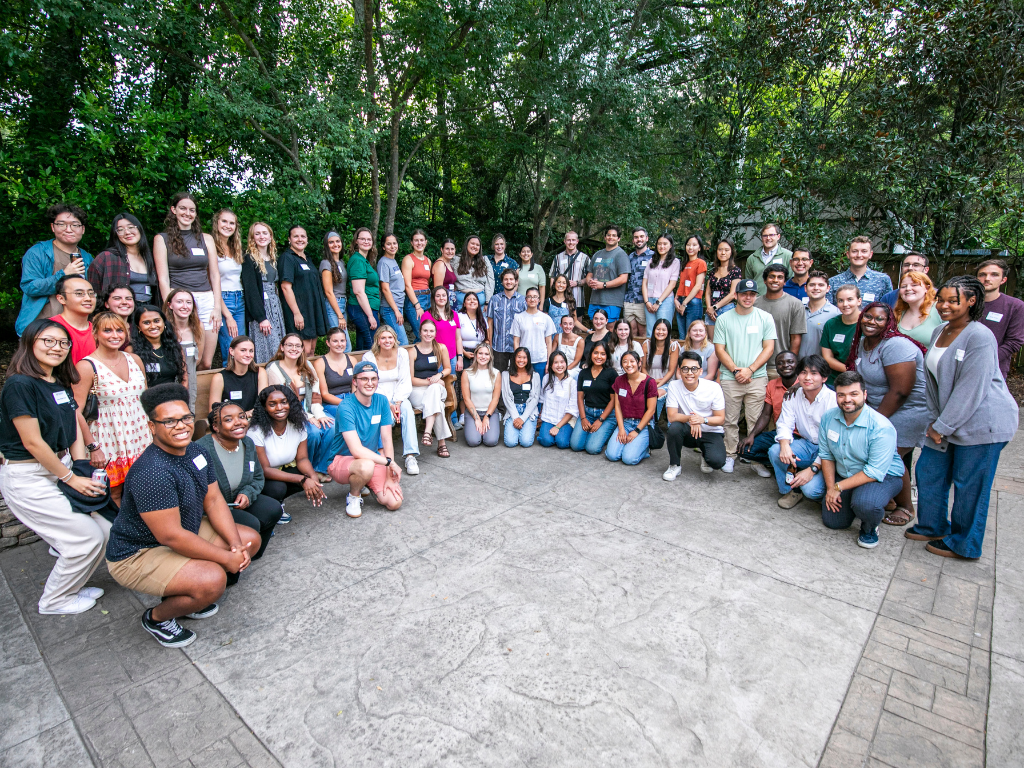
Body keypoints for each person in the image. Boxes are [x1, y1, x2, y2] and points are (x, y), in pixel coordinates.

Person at [106, 383, 259, 647]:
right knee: (213, 580)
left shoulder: (196, 451)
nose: (181, 426)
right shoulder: (152, 472)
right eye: (169, 421)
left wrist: (235, 546)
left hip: (183, 530)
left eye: (186, 418)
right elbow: (172, 536)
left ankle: (190, 595)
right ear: (152, 427)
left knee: (248, 540)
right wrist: (226, 558)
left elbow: (213, 499)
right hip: (138, 551)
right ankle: (157, 618)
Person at [0, 318, 110, 615]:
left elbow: (73, 425)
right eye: (48, 341)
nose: (56, 347)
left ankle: (71, 587)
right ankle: (55, 601)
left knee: (103, 530)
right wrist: (71, 478)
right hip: (29, 475)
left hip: (59, 467)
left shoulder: (56, 382)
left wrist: (81, 465)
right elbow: (33, 443)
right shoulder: (19, 384)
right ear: (30, 343)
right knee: (85, 537)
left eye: (63, 342)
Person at [906, 276, 1019, 559]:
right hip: (947, 420)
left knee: (970, 485)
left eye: (952, 301)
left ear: (971, 301)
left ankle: (964, 544)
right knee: (929, 471)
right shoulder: (939, 331)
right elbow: (934, 382)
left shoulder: (980, 336)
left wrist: (942, 426)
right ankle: (933, 525)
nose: (944, 306)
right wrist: (935, 420)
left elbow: (971, 389)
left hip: (983, 423)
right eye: (941, 300)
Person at [846, 302, 928, 525]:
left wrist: (874, 421)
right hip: (880, 406)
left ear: (888, 322)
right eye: (868, 317)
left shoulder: (896, 345)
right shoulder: (864, 342)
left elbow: (901, 391)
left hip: (909, 409)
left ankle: (906, 507)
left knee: (889, 455)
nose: (871, 322)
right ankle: (890, 499)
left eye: (878, 319)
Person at [818, 372, 906, 549]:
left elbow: (874, 471)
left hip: (882, 476)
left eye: (853, 394)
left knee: (867, 504)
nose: (847, 399)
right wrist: (830, 488)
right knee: (834, 521)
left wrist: (838, 487)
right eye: (841, 395)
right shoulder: (829, 417)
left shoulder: (881, 427)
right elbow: (826, 455)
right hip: (848, 473)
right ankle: (858, 502)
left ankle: (869, 527)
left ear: (864, 395)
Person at [72, 311, 150, 506]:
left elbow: (147, 399)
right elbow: (75, 411)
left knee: (144, 486)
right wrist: (93, 447)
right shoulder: (87, 366)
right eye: (107, 330)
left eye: (119, 330)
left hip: (140, 436)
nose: (115, 335)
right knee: (113, 492)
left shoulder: (135, 359)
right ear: (95, 334)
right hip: (108, 438)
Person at [197, 402, 283, 559]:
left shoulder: (247, 443)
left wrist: (247, 493)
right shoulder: (201, 450)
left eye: (242, 417)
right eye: (228, 419)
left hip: (238, 501)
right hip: (213, 510)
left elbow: (257, 476)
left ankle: (254, 554)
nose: (238, 422)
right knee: (251, 523)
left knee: (273, 509)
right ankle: (235, 560)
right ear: (215, 427)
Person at [713, 278, 777, 472]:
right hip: (730, 377)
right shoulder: (724, 319)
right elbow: (720, 349)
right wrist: (735, 370)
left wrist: (750, 369)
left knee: (756, 419)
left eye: (751, 294)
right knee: (729, 419)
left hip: (756, 377)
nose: (748, 297)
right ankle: (730, 454)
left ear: (756, 297)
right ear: (736, 295)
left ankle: (754, 458)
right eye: (744, 294)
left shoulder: (765, 318)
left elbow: (769, 348)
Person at [327, 360, 405, 517]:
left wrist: (389, 474)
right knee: (366, 466)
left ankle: (366, 482)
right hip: (342, 459)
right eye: (364, 379)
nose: (370, 383)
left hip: (371, 458)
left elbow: (387, 439)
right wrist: (389, 462)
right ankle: (354, 495)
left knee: (394, 502)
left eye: (373, 379)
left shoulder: (382, 401)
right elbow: (356, 450)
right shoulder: (346, 407)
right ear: (355, 381)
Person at [154, 193, 222, 369]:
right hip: (181, 301)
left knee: (206, 362)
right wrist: (170, 305)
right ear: (173, 210)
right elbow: (163, 278)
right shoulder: (162, 239)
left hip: (206, 299)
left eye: (192, 210)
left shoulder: (206, 238)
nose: (187, 213)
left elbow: (214, 274)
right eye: (183, 208)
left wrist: (217, 306)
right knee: (187, 360)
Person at [248, 385, 326, 523]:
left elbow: (302, 459)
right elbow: (264, 470)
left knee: (308, 475)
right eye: (272, 404)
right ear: (264, 407)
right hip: (260, 477)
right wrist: (302, 480)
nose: (279, 408)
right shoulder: (255, 431)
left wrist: (313, 478)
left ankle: (277, 502)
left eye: (284, 402)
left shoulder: (298, 425)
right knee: (279, 488)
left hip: (283, 468)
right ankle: (269, 507)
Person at [768, 355, 835, 508]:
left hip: (829, 452)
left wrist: (812, 469)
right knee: (775, 451)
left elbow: (833, 445)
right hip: (806, 444)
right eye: (803, 372)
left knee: (811, 491)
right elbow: (784, 424)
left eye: (813, 373)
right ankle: (791, 490)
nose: (807, 377)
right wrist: (785, 446)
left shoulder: (832, 401)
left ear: (824, 378)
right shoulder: (792, 395)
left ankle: (820, 482)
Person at [265, 334, 335, 480]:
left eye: (298, 346)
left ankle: (320, 468)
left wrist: (319, 415)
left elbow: (315, 395)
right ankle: (305, 468)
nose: (294, 349)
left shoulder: (307, 366)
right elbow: (283, 401)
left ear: (302, 349)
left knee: (332, 426)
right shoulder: (274, 369)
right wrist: (308, 418)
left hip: (309, 408)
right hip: (286, 412)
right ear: (282, 347)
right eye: (290, 345)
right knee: (313, 433)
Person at [17, 203, 92, 336]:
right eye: (62, 224)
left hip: (76, 329)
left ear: (83, 229)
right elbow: (30, 287)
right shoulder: (37, 253)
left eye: (75, 225)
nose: (68, 229)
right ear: (53, 227)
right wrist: (63, 275)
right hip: (40, 328)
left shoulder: (87, 258)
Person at [361, 326, 421, 475]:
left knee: (407, 410)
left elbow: (405, 379)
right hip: (378, 397)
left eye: (390, 337)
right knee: (386, 417)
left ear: (394, 339)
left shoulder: (402, 353)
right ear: (378, 340)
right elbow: (372, 383)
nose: (387, 341)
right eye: (383, 338)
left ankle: (410, 455)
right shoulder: (369, 357)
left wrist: (398, 402)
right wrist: (388, 404)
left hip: (400, 395)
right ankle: (384, 457)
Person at [663, 350, 727, 478]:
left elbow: (720, 419)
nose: (689, 373)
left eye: (694, 369)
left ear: (700, 371)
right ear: (679, 370)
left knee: (717, 462)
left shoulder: (713, 387)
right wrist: (693, 419)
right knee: (674, 428)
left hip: (710, 431)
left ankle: (706, 454)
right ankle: (674, 465)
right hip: (688, 430)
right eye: (685, 369)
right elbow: (671, 416)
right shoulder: (674, 386)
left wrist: (702, 420)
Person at [737, 351, 798, 476]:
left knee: (777, 450)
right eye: (780, 363)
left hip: (801, 435)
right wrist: (752, 435)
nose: (785, 365)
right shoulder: (772, 384)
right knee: (744, 449)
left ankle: (795, 464)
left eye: (790, 362)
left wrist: (801, 384)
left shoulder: (806, 384)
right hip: (780, 433)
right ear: (776, 368)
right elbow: (766, 415)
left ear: (797, 364)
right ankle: (780, 462)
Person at [279, 225, 329, 357]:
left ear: (307, 239)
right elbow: (285, 287)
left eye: (303, 236)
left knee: (311, 350)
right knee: (303, 351)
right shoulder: (287, 258)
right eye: (296, 236)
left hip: (312, 310)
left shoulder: (307, 258)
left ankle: (309, 377)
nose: (300, 239)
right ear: (289, 239)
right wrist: (296, 313)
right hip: (299, 310)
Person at [240, 222, 286, 364]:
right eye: (257, 233)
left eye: (265, 233)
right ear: (252, 238)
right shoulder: (249, 259)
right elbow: (251, 290)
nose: (261, 236)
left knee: (279, 346)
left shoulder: (272, 259)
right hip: (261, 309)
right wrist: (261, 317)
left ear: (270, 236)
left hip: (275, 307)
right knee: (267, 347)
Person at [408, 319, 454, 458]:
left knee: (435, 391)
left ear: (435, 333)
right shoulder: (412, 351)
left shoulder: (440, 348)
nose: (428, 334)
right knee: (437, 404)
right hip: (418, 389)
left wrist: (438, 376)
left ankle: (427, 431)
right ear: (420, 332)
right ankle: (441, 444)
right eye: (425, 330)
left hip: (436, 388)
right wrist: (429, 382)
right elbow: (411, 379)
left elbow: (447, 368)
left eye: (431, 331)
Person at [87, 213, 157, 303]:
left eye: (131, 227)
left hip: (148, 310)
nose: (127, 232)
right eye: (120, 230)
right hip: (122, 309)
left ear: (139, 229)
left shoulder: (150, 258)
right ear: (115, 235)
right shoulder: (107, 257)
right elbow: (93, 289)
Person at [606, 351, 657, 465]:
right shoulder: (619, 380)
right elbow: (617, 406)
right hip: (626, 422)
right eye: (625, 362)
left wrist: (636, 431)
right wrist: (621, 429)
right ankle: (632, 447)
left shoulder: (650, 382)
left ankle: (644, 450)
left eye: (632, 361)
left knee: (628, 459)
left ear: (639, 363)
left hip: (643, 425)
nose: (628, 364)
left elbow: (651, 410)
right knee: (612, 455)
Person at [754, 264, 806, 376]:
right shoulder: (754, 304)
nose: (775, 280)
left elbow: (796, 338)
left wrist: (789, 365)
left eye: (779, 277)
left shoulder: (795, 304)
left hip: (780, 367)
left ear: (785, 282)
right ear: (764, 280)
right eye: (771, 276)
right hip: (755, 366)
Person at [977, 258, 1024, 380]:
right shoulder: (966, 302)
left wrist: (985, 359)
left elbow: (1014, 342)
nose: (987, 278)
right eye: (982, 274)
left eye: (994, 275)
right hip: (960, 366)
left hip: (994, 370)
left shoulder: (1015, 306)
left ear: (1003, 280)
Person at [570, 341, 618, 454]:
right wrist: (583, 418)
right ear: (591, 354)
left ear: (607, 356)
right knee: (576, 446)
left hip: (606, 415)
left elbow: (613, 400)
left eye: (602, 354)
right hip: (588, 413)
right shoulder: (583, 373)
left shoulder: (611, 374)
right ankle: (595, 435)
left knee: (592, 449)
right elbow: (580, 397)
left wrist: (601, 420)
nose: (599, 357)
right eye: (596, 353)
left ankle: (606, 432)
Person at [212, 209, 245, 363]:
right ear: (217, 222)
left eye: (231, 223)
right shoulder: (210, 246)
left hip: (240, 298)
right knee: (230, 349)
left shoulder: (235, 248)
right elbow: (212, 283)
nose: (228, 226)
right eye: (224, 221)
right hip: (223, 299)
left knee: (242, 346)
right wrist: (228, 315)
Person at [164, 289, 204, 410]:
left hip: (190, 378)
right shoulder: (164, 327)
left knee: (189, 409)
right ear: (170, 305)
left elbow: (199, 358)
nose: (185, 306)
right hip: (169, 378)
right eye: (179, 302)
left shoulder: (198, 326)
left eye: (188, 302)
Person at [208, 336, 268, 415]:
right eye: (243, 350)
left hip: (255, 420)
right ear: (231, 351)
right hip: (231, 423)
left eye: (251, 351)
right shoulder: (219, 378)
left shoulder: (260, 373)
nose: (248, 354)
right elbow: (213, 412)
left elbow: (263, 403)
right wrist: (244, 415)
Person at [827, 236, 893, 307]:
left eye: (864, 251)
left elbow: (888, 310)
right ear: (848, 254)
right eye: (854, 251)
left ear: (870, 254)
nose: (859, 255)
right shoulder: (833, 282)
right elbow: (829, 312)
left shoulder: (883, 280)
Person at [132, 306, 187, 389]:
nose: (153, 326)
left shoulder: (174, 346)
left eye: (157, 321)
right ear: (139, 327)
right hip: (147, 398)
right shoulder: (132, 350)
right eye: (146, 323)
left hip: (174, 396)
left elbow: (184, 379)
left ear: (164, 322)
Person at [456, 292, 489, 429]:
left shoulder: (483, 318)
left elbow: (487, 338)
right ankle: (463, 413)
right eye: (468, 299)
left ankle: (479, 411)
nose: (471, 301)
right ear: (464, 303)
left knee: (478, 384)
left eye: (474, 299)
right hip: (464, 352)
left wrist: (480, 353)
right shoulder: (459, 316)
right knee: (464, 385)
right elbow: (456, 337)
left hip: (479, 355)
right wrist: (462, 352)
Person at [346, 227, 382, 351]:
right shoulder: (357, 261)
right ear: (356, 241)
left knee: (362, 347)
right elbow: (358, 291)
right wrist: (370, 316)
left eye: (369, 239)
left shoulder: (363, 260)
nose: (366, 241)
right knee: (373, 346)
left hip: (366, 308)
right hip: (361, 309)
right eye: (363, 239)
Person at [585, 226, 630, 321]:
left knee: (609, 330)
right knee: (595, 328)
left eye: (614, 235)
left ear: (618, 238)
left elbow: (623, 278)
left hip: (611, 301)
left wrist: (603, 285)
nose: (611, 237)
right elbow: (589, 274)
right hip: (595, 299)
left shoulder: (621, 255)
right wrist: (590, 282)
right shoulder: (597, 254)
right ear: (605, 237)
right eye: (608, 235)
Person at [512, 287, 558, 380]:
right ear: (525, 300)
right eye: (529, 297)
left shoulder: (546, 318)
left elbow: (549, 342)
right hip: (524, 360)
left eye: (535, 297)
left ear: (539, 300)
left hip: (541, 359)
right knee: (525, 386)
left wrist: (549, 362)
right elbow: (516, 341)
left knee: (540, 388)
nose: (532, 299)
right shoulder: (518, 318)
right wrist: (518, 359)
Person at [485, 268, 526, 372]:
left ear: (516, 281)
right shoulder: (494, 300)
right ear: (502, 281)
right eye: (506, 279)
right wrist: (489, 343)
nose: (509, 282)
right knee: (497, 374)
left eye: (511, 279)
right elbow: (489, 322)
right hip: (498, 346)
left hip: (517, 346)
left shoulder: (522, 300)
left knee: (515, 375)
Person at [461, 343, 502, 447]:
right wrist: (477, 418)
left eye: (486, 354)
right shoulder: (467, 373)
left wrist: (487, 417)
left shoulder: (496, 373)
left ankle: (490, 427)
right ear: (475, 355)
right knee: (473, 441)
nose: (483, 357)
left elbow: (495, 399)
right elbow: (466, 399)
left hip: (490, 412)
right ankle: (475, 429)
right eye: (480, 353)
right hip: (473, 412)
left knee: (490, 441)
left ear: (490, 357)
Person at [820, 285, 862, 385]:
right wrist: (849, 370)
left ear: (859, 301)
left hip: (862, 379)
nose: (845, 304)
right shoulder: (831, 324)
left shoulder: (868, 323)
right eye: (840, 300)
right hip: (835, 380)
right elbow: (827, 358)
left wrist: (857, 372)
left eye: (850, 299)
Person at [51, 276, 96, 365]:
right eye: (79, 293)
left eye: (91, 293)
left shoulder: (99, 330)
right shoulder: (49, 328)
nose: (88, 298)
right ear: (61, 299)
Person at [501, 347, 541, 447]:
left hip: (529, 411)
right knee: (510, 442)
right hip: (512, 410)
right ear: (514, 358)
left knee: (525, 442)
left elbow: (535, 399)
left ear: (528, 360)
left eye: (524, 357)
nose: (521, 360)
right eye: (519, 357)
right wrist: (516, 417)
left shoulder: (535, 376)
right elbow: (506, 398)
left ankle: (525, 428)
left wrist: (522, 418)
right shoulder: (505, 375)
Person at [538, 351, 578, 449]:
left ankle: (565, 434)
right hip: (549, 418)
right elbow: (542, 399)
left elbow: (572, 409)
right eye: (555, 362)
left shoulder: (572, 383)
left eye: (562, 362)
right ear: (551, 365)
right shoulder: (546, 379)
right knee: (546, 441)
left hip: (565, 420)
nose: (559, 365)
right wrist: (540, 416)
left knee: (562, 443)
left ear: (566, 363)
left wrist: (557, 426)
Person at [422, 285, 465, 374]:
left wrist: (460, 357)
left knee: (450, 384)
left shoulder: (454, 314)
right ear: (434, 298)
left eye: (444, 295)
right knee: (438, 384)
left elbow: (458, 338)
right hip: (436, 356)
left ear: (447, 297)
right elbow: (424, 338)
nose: (441, 298)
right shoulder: (427, 315)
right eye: (438, 296)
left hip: (452, 356)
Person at [377, 233, 410, 344]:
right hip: (390, 309)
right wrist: (396, 311)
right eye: (388, 244)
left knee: (396, 343)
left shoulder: (393, 261)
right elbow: (385, 289)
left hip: (397, 307)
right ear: (383, 247)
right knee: (402, 342)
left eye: (394, 243)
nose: (392, 246)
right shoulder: (383, 263)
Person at [642, 319, 679, 419]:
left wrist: (658, 384)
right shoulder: (646, 345)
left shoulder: (673, 346)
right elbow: (643, 368)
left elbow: (671, 371)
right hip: (649, 380)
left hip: (667, 382)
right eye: (658, 329)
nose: (660, 332)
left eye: (664, 330)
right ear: (654, 330)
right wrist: (652, 381)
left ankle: (654, 421)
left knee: (657, 394)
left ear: (668, 332)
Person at [703, 238, 742, 333]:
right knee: (712, 343)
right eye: (720, 249)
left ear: (731, 252)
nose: (723, 253)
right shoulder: (713, 271)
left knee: (726, 342)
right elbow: (708, 292)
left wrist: (715, 307)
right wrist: (709, 308)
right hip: (711, 312)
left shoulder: (735, 271)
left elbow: (733, 294)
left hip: (727, 309)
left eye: (726, 250)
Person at [644, 234, 681, 333]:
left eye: (665, 244)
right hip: (649, 301)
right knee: (650, 332)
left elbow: (672, 284)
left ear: (670, 245)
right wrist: (647, 302)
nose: (662, 246)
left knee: (663, 330)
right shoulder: (651, 261)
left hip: (665, 301)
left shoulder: (675, 262)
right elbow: (644, 283)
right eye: (659, 244)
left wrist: (658, 302)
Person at [894, 271, 942, 346]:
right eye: (903, 286)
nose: (908, 289)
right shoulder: (898, 313)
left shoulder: (939, 309)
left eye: (914, 285)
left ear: (927, 288)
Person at [623, 228, 655, 337]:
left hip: (644, 300)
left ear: (646, 238)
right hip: (629, 299)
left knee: (643, 332)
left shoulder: (654, 257)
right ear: (633, 240)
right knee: (630, 331)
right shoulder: (629, 257)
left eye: (641, 237)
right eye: (636, 237)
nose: (639, 239)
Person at [313, 327, 355, 412]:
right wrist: (345, 403)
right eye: (335, 341)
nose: (339, 344)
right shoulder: (320, 363)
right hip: (332, 402)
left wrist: (354, 401)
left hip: (352, 398)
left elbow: (355, 387)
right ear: (328, 343)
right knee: (346, 412)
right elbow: (324, 394)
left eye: (342, 341)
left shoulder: (352, 360)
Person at [800, 271, 839, 361]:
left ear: (828, 288)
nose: (816, 288)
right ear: (805, 288)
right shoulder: (798, 310)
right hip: (798, 366)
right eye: (812, 285)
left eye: (821, 285)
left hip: (821, 368)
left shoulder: (835, 314)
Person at [744, 222, 793, 294]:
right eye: (765, 235)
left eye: (771, 235)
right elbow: (748, 283)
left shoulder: (788, 256)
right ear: (761, 238)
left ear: (778, 236)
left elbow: (791, 281)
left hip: (780, 301)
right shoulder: (752, 258)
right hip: (757, 301)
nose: (768, 238)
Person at [671, 234, 702, 338]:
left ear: (699, 248)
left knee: (692, 336)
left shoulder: (700, 263)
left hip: (693, 302)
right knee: (682, 336)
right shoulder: (684, 263)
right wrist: (676, 299)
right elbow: (681, 284)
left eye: (694, 245)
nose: (691, 247)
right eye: (688, 245)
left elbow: (697, 286)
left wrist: (684, 303)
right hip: (681, 301)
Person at [453, 235, 494, 311]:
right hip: (461, 300)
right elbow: (448, 274)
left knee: (480, 323)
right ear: (467, 245)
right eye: (472, 243)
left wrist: (488, 302)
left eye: (477, 245)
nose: (475, 246)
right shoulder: (456, 259)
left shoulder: (484, 260)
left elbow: (490, 281)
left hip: (480, 301)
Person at [320, 230, 348, 330]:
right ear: (326, 245)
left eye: (338, 241)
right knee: (340, 341)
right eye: (331, 242)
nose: (335, 244)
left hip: (342, 303)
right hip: (333, 305)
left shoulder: (341, 262)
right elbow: (328, 292)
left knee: (343, 341)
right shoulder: (326, 263)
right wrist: (339, 315)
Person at [402, 229, 433, 315]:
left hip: (428, 297)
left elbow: (427, 281)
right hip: (415, 298)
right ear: (412, 243)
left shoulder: (428, 260)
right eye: (416, 240)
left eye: (422, 240)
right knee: (418, 328)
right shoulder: (408, 259)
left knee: (428, 328)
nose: (419, 243)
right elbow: (407, 285)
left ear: (426, 242)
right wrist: (417, 305)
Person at [489, 234, 520, 300]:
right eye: (496, 244)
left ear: (505, 245)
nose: (499, 246)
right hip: (489, 298)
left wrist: (510, 297)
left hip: (505, 298)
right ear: (493, 246)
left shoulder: (512, 263)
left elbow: (516, 282)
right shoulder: (487, 260)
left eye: (501, 244)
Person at [432, 238, 459, 306]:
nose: (450, 251)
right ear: (442, 249)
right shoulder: (440, 264)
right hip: (442, 302)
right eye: (447, 249)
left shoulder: (449, 264)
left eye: (452, 249)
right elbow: (438, 290)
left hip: (450, 300)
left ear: (455, 250)